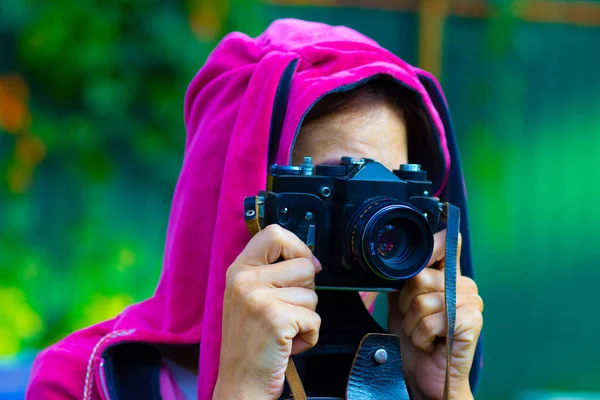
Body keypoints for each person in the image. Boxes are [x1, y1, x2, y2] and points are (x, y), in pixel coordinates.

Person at [26, 19, 483, 400]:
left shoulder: (388, 370)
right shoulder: (89, 378)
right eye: (331, 191)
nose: (372, 225)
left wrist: (440, 390)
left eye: (392, 190)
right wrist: (241, 386)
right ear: (226, 201)